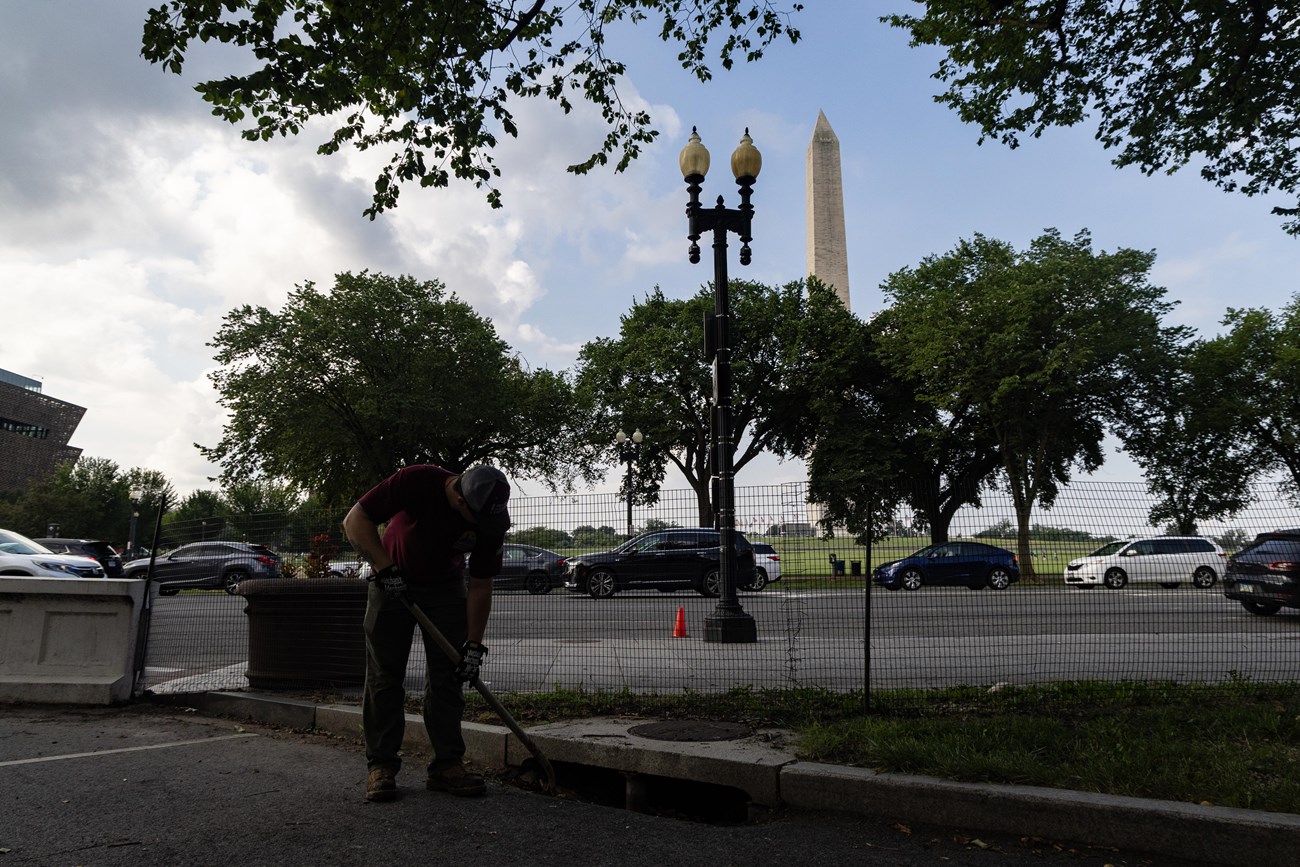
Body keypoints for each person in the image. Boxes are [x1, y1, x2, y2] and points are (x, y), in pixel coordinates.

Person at [342, 463, 511, 803]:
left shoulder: (491, 520)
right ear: (461, 501)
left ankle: (447, 766)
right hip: (391, 581)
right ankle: (382, 766)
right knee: (384, 675)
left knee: (449, 675)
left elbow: (480, 584)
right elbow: (355, 521)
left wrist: (474, 646)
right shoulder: (416, 480)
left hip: (446, 589)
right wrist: (384, 568)